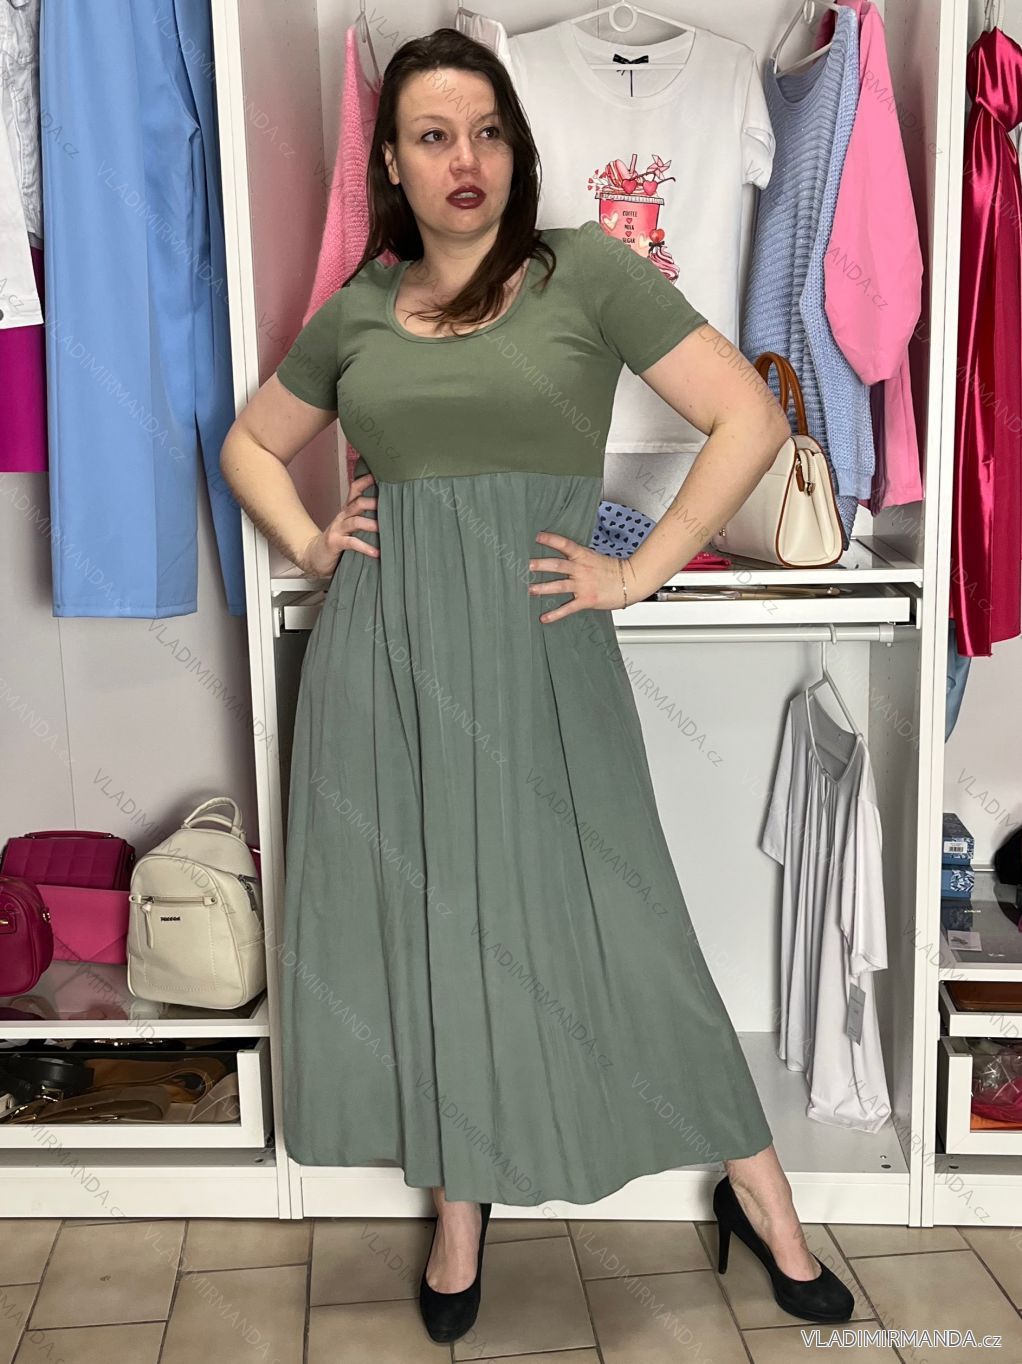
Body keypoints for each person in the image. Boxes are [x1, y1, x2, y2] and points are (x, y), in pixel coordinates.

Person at [220, 26, 854, 1345]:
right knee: (433, 927)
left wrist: (641, 571)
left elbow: (747, 419)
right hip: (384, 659)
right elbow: (248, 446)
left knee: (628, 922)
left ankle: (762, 1199)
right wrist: (312, 543)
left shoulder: (588, 274)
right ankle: (459, 1213)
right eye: (434, 136)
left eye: (488, 132)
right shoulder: (360, 308)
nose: (467, 159)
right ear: (391, 164)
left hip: (543, 650)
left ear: (516, 148)